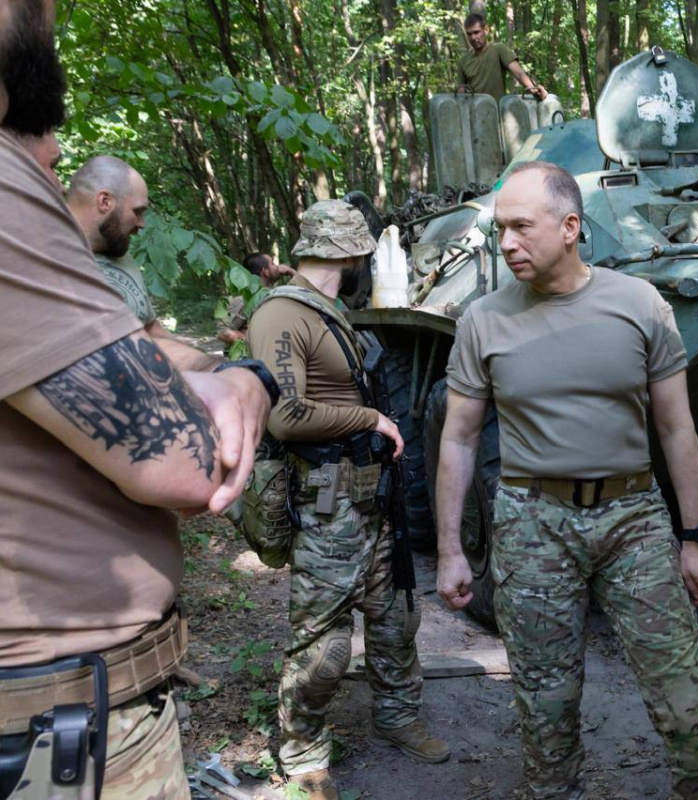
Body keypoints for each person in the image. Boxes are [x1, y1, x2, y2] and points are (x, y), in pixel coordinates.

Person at [0, 0, 274, 796]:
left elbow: (132, 352)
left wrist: (215, 372)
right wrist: (244, 383)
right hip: (53, 732)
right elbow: (192, 464)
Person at [436, 161, 698, 799]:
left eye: (522, 227)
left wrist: (697, 537)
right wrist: (449, 551)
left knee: (683, 701)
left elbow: (677, 430)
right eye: (501, 230)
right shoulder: (482, 321)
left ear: (571, 226)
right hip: (531, 525)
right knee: (545, 712)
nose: (507, 244)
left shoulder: (640, 306)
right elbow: (459, 438)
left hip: (633, 519)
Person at [247, 200, 449, 800]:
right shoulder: (283, 314)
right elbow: (285, 416)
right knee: (324, 641)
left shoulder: (330, 310)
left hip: (371, 499)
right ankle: (304, 752)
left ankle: (397, 717)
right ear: (352, 253)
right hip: (328, 505)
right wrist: (371, 418)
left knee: (395, 619)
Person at [65, 155, 225, 371]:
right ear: (105, 202)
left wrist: (205, 361)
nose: (142, 224)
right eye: (137, 212)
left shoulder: (121, 252)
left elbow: (150, 329)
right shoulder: (45, 258)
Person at [458, 13, 547, 102]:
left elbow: (519, 73)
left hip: (496, 111)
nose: (473, 37)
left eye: (476, 32)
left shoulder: (499, 50)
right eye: (469, 34)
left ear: (486, 30)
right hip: (474, 111)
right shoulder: (463, 61)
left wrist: (532, 88)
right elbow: (461, 93)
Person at [217, 252, 295, 350]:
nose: (277, 267)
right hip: (246, 361)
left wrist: (292, 272)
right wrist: (257, 341)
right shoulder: (244, 300)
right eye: (273, 264)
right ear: (265, 271)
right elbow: (223, 333)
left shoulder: (271, 295)